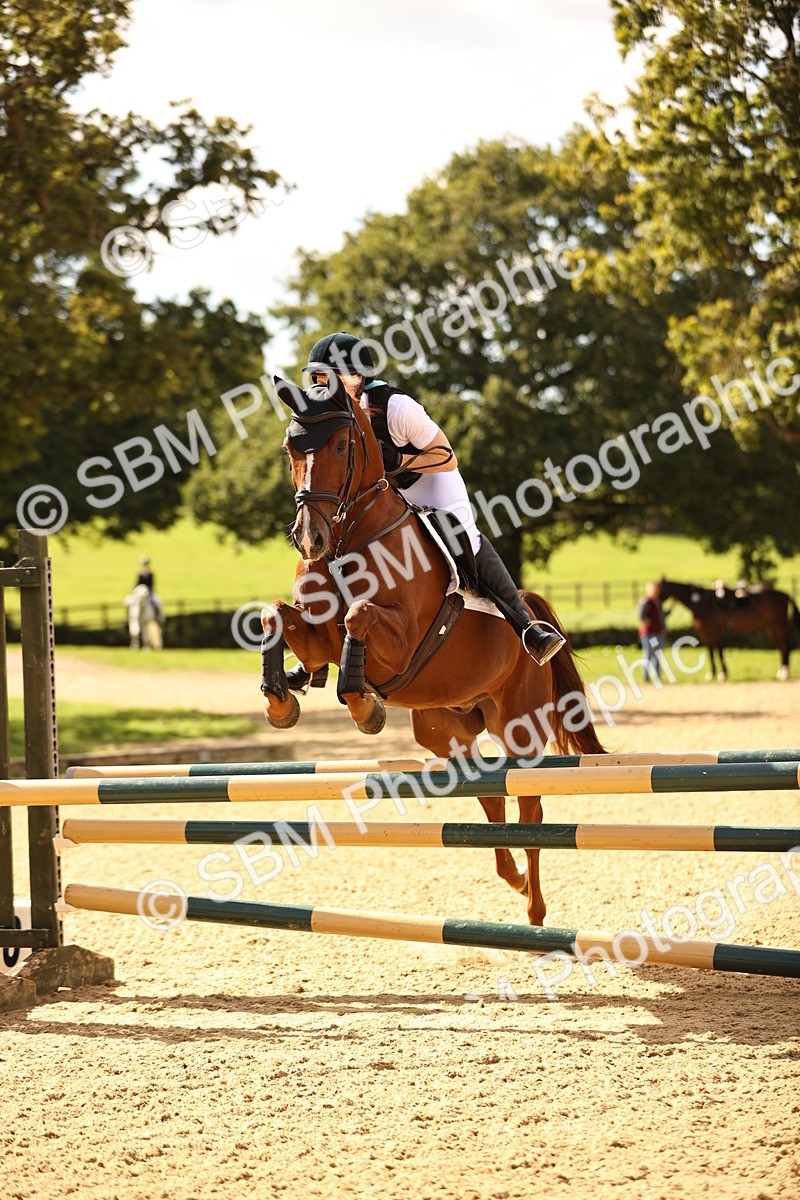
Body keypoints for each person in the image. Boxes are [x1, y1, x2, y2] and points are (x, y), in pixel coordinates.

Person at [286, 331, 565, 691]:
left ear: (358, 375)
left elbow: (445, 456)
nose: (322, 385)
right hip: (385, 492)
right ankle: (315, 654)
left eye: (330, 377)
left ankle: (527, 626)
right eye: (317, 377)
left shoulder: (397, 407)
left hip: (430, 482)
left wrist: (399, 461)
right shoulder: (331, 418)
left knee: (461, 534)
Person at [638, 581, 666, 682]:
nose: (656, 592)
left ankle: (656, 675)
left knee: (657, 654)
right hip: (650, 634)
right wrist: (647, 621)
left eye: (657, 590)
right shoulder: (646, 601)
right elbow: (641, 614)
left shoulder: (658, 602)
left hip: (658, 633)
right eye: (654, 590)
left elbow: (662, 616)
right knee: (649, 654)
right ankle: (646, 676)